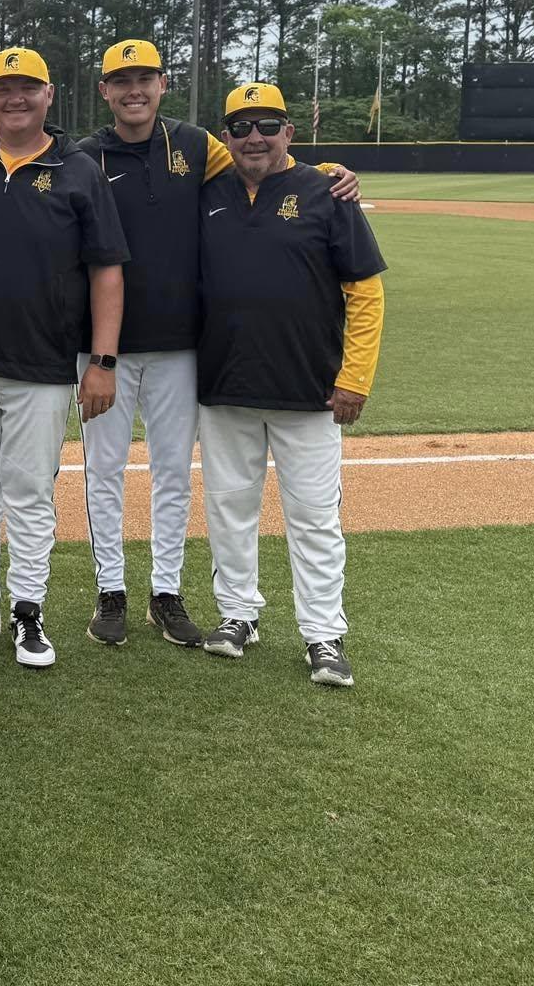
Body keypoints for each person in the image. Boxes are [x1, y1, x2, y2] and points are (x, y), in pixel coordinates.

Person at [74, 39, 360, 651]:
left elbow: (270, 165)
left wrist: (330, 172)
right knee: (104, 469)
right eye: (121, 80)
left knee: (174, 473)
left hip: (182, 346)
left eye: (145, 77)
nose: (134, 89)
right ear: (104, 89)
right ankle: (111, 593)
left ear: (162, 83)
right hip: (104, 347)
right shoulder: (84, 155)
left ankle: (166, 594)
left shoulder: (200, 146)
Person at [0, 48, 128, 668]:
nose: (14, 99)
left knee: (30, 489)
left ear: (49, 94)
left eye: (27, 88)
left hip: (43, 359)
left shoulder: (78, 167)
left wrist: (103, 360)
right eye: (1, 88)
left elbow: (107, 269)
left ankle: (28, 610)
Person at [197, 83, 384, 689]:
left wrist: (354, 379)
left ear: (290, 132)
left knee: (313, 516)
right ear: (225, 136)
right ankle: (237, 615)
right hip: (225, 382)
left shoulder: (326, 191)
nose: (255, 136)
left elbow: (365, 291)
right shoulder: (207, 191)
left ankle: (323, 634)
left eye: (268, 124)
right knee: (229, 506)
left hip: (310, 389)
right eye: (242, 125)